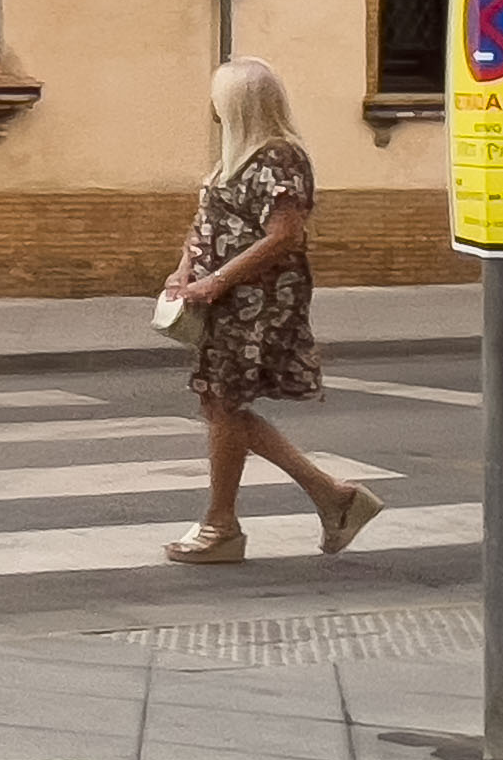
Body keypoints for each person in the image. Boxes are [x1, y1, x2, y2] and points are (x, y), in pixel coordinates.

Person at [160, 57, 383, 567]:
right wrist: (184, 271)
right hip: (225, 301)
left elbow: (284, 235)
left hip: (258, 302)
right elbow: (207, 222)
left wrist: (218, 279)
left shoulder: (279, 158)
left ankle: (225, 525)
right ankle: (330, 499)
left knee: (223, 405)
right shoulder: (234, 156)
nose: (213, 108)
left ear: (239, 103)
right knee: (222, 405)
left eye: (220, 97)